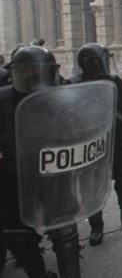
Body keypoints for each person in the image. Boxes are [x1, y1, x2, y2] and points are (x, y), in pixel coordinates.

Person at [71, 43, 122, 247]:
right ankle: (97, 227)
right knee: (93, 185)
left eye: (104, 60)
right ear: (86, 64)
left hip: (116, 140)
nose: (102, 64)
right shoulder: (75, 84)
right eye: (98, 61)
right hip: (91, 145)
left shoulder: (114, 81)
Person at [0, 46, 61, 278]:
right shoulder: (3, 99)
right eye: (29, 74)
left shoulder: (62, 95)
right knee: (16, 233)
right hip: (12, 175)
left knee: (64, 227)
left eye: (41, 74)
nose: (36, 81)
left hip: (53, 172)